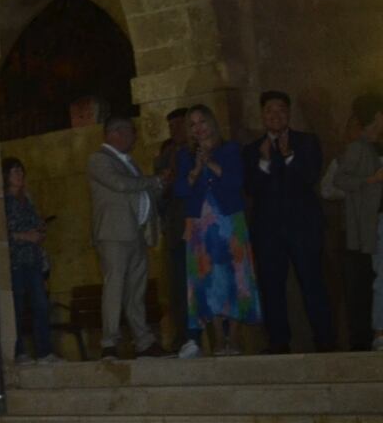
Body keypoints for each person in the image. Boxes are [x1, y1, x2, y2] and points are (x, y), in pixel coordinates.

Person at [243, 90, 335, 352]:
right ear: (263, 115)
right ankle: (278, 343)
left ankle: (325, 341)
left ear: (289, 113)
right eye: (270, 110)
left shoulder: (306, 142)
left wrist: (289, 155)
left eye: (280, 109)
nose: (275, 115)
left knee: (313, 283)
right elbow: (251, 188)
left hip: (303, 227)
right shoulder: (252, 150)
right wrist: (263, 161)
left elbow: (309, 177)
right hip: (268, 230)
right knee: (271, 287)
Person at [173, 103, 261, 357]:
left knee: (235, 275)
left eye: (202, 122)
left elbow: (236, 181)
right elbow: (180, 190)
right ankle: (217, 339)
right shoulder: (184, 155)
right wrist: (195, 170)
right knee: (207, 279)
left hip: (229, 221)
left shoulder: (230, 149)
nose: (198, 128)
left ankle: (233, 337)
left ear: (211, 123)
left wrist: (210, 163)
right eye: (192, 124)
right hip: (201, 226)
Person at [88, 115, 164, 359]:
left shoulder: (130, 162)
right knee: (115, 287)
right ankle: (109, 342)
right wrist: (154, 181)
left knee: (136, 291)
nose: (135, 136)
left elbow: (140, 191)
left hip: (136, 234)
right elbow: (120, 185)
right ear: (115, 133)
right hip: (113, 234)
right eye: (132, 131)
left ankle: (143, 341)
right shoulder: (98, 159)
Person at [320, 96, 381, 352]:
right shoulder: (346, 157)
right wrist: (363, 187)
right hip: (355, 234)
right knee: (358, 291)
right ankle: (362, 342)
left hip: (376, 228)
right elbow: (328, 189)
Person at [3, 156, 57, 364]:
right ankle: (18, 351)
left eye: (21, 171)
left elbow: (34, 222)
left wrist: (39, 230)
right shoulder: (4, 203)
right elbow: (4, 233)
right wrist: (25, 236)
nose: (19, 175)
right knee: (15, 307)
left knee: (40, 305)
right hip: (15, 261)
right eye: (15, 171)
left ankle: (44, 351)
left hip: (32, 260)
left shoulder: (27, 200)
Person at [152, 107, 194, 345]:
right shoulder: (165, 157)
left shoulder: (198, 151)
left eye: (180, 125)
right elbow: (157, 197)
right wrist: (164, 183)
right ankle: (183, 337)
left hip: (198, 226)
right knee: (178, 287)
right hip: (175, 230)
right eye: (171, 127)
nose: (175, 130)